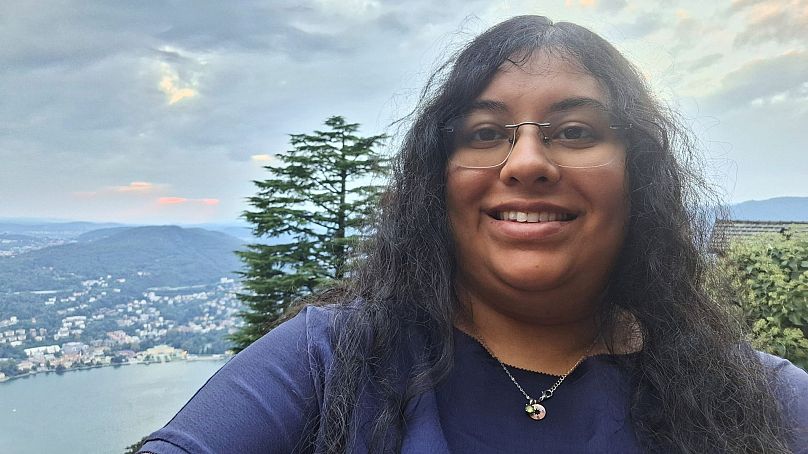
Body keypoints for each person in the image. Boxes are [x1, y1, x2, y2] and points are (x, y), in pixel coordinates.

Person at [139, 15, 808, 454]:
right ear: (439, 182)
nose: (526, 164)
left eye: (574, 132)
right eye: (485, 134)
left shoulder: (759, 404)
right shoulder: (328, 364)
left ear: (639, 178)